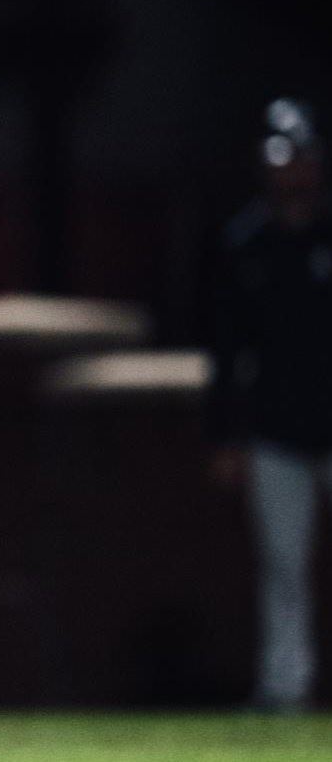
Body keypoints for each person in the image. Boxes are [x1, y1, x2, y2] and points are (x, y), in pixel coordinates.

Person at [207, 96, 332, 713]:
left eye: (301, 158)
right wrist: (225, 436)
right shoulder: (245, 243)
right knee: (282, 566)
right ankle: (286, 688)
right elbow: (227, 351)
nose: (292, 172)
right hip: (276, 429)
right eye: (280, 160)